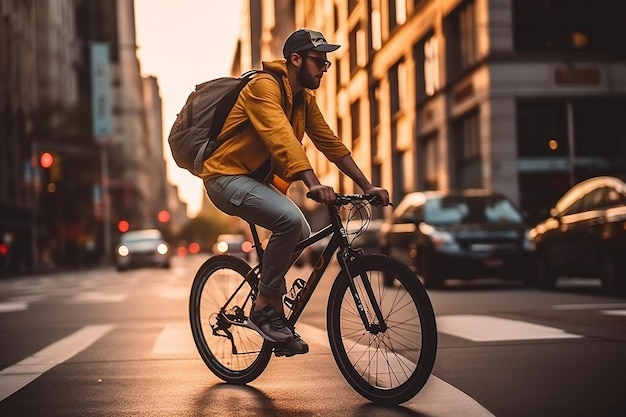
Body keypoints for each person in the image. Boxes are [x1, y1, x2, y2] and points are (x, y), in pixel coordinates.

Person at [200, 28, 390, 356]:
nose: (324, 68)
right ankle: (264, 308)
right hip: (223, 176)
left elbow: (330, 143)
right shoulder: (263, 87)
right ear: (295, 60)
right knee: (289, 219)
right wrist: (312, 182)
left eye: (327, 63)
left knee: (301, 229)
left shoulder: (303, 100)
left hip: (252, 179)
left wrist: (366, 185)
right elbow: (280, 137)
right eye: (319, 61)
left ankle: (268, 299)